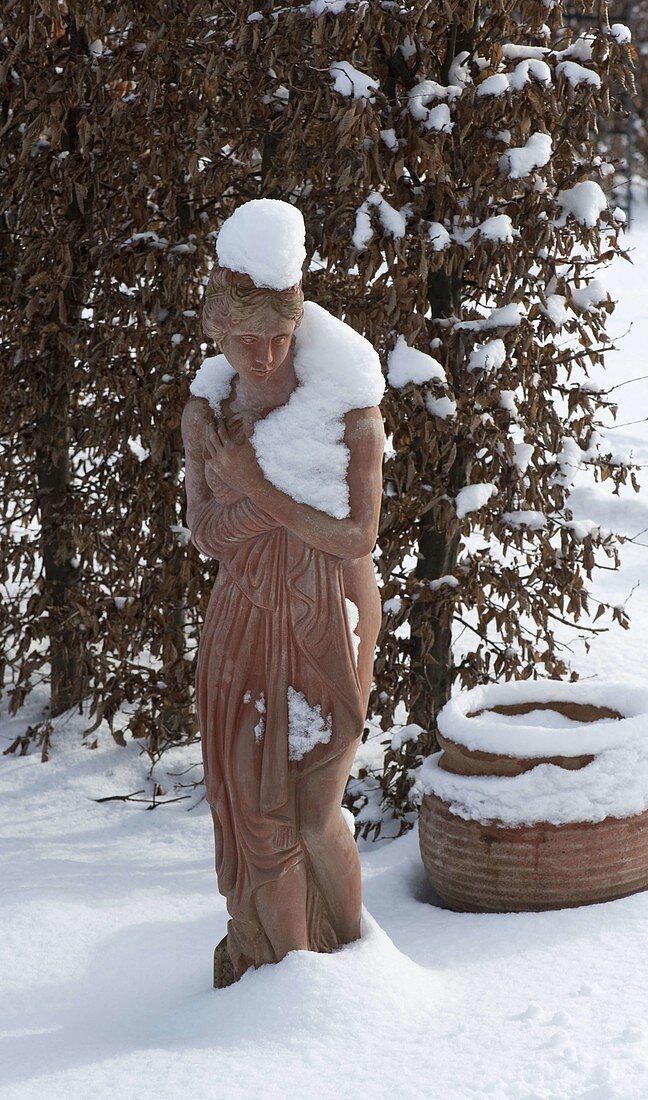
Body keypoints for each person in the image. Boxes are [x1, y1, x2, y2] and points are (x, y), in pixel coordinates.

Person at [180, 200, 385, 986]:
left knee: (313, 811)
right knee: (254, 813)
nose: (263, 356)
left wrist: (255, 490)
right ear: (219, 336)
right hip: (241, 624)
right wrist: (243, 504)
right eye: (245, 341)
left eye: (278, 338)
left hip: (318, 623)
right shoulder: (210, 415)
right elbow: (204, 529)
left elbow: (354, 538)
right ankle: (289, 971)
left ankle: (355, 955)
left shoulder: (347, 419)